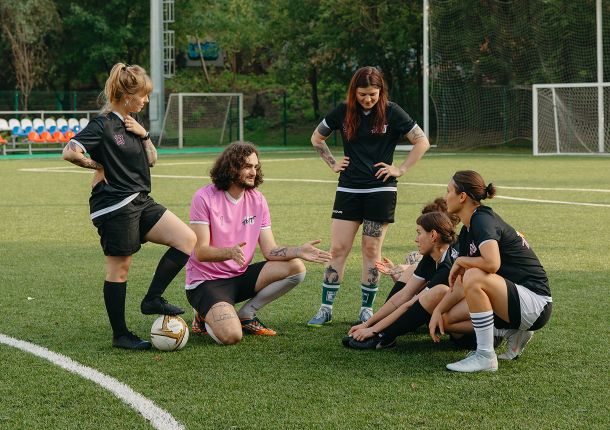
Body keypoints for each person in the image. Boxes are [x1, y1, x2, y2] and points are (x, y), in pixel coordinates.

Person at [62, 63, 197, 350]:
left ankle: (152, 299)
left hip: (140, 200)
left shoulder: (133, 124)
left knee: (186, 239)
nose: (146, 100)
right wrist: (98, 165)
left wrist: (144, 134)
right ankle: (120, 335)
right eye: (143, 95)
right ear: (126, 96)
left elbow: (152, 160)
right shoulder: (102, 124)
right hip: (114, 206)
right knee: (119, 269)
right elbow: (70, 152)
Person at [307, 66, 430, 327]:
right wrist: (332, 163)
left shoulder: (392, 112)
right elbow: (317, 138)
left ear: (380, 91)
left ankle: (366, 309)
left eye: (373, 94)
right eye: (362, 94)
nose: (368, 99)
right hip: (349, 189)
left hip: (380, 191)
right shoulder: (343, 111)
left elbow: (422, 141)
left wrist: (400, 169)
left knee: (371, 249)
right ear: (354, 92)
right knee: (338, 248)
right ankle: (325, 308)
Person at [186, 142, 331, 345]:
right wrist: (228, 252)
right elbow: (200, 252)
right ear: (231, 168)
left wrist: (299, 251)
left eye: (255, 166)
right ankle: (203, 313)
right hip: (207, 282)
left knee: (296, 267)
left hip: (240, 276)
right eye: (247, 166)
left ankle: (246, 314)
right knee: (231, 336)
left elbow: (270, 250)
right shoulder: (204, 197)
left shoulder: (258, 200)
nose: (253, 172)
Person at [439, 170, 552, 372]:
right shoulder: (467, 229)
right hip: (512, 300)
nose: (445, 196)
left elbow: (492, 264)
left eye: (448, 191)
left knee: (474, 274)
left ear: (462, 196)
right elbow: (462, 283)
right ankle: (512, 332)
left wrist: (462, 261)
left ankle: (485, 355)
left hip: (535, 302)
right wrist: (438, 311)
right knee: (447, 320)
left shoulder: (482, 219)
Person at [344, 210, 471, 350]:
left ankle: (384, 336)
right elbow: (403, 295)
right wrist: (368, 324)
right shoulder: (434, 254)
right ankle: (381, 327)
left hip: (469, 336)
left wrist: (374, 330)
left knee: (437, 292)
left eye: (419, 233)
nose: (416, 239)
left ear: (433, 235)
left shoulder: (448, 267)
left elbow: (410, 305)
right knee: (412, 270)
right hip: (449, 317)